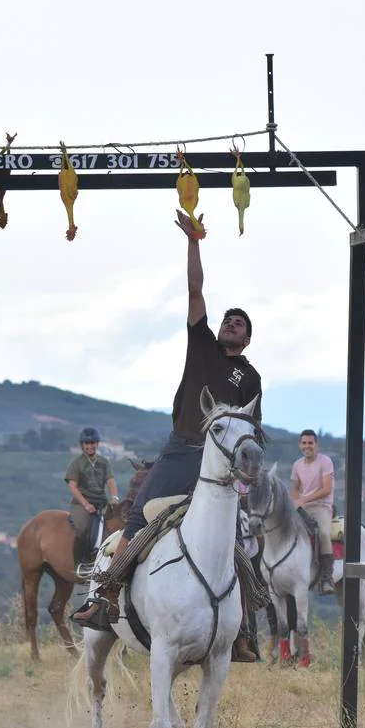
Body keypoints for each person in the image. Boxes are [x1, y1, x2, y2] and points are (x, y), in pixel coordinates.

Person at [72, 210, 263, 663]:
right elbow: (195, 290)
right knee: (139, 520)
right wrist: (194, 242)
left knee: (234, 542)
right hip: (182, 452)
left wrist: (246, 474)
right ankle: (106, 598)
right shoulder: (202, 345)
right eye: (228, 319)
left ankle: (239, 630)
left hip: (220, 465)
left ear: (248, 339)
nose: (231, 322)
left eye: (240, 322)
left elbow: (250, 431)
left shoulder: (250, 377)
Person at [65, 427, 118, 572]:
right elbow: (73, 487)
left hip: (101, 502)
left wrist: (114, 497)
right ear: (82, 445)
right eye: (87, 443)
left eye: (92, 443)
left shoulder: (103, 462)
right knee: (82, 530)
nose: (90, 446)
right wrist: (86, 504)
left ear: (97, 444)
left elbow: (111, 481)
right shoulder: (76, 463)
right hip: (81, 504)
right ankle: (78, 564)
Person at [291, 429, 336, 595]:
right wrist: (296, 501)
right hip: (303, 507)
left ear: (316, 445)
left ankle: (326, 577)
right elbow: (295, 489)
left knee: (323, 533)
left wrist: (304, 499)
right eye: (304, 443)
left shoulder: (325, 461)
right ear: (299, 445)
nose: (307, 446)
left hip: (321, 506)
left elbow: (326, 489)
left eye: (310, 443)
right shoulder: (297, 465)